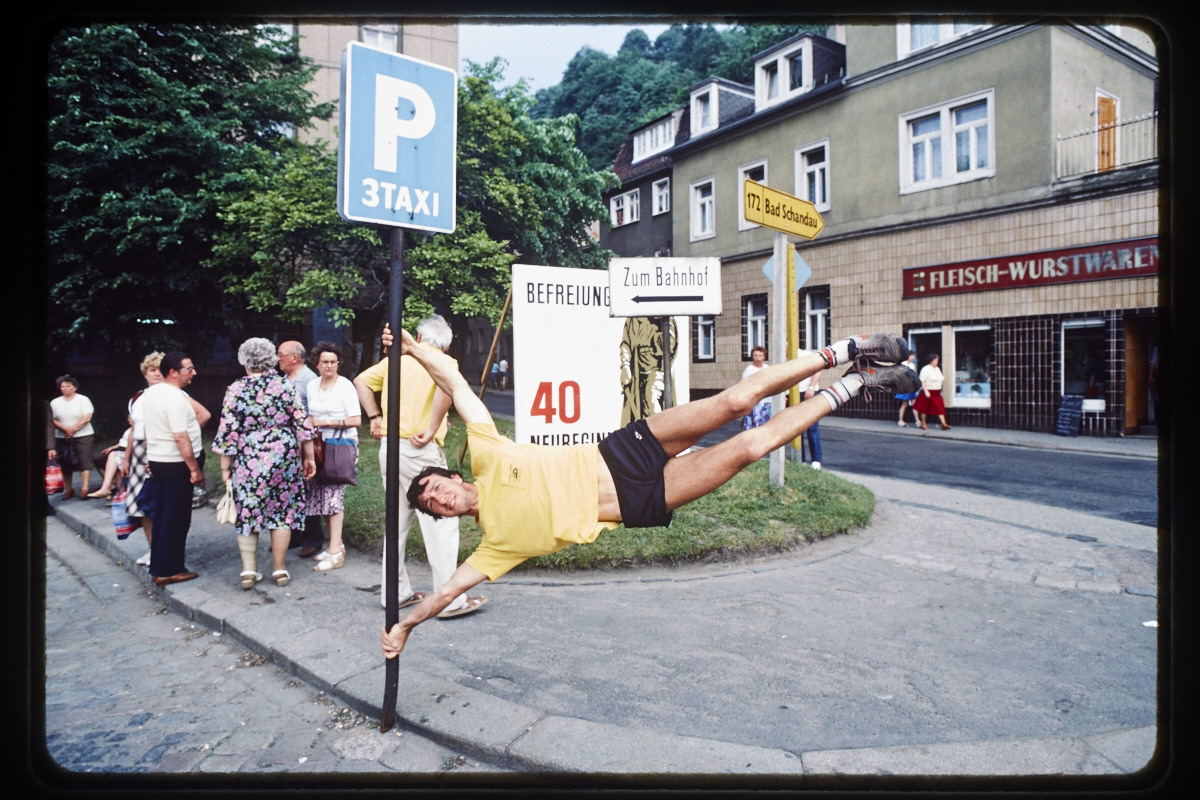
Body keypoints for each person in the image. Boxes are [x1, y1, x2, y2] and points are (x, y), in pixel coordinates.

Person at [382, 330, 920, 659]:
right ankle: (856, 384)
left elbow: (455, 383)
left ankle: (847, 351)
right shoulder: (495, 546)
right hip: (640, 501)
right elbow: (446, 592)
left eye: (435, 488)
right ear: (445, 515)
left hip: (622, 453)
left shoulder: (486, 451)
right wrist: (406, 625)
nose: (440, 500)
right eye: (432, 506)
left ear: (453, 477)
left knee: (734, 403)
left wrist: (414, 349)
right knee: (748, 447)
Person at [353, 316, 486, 617]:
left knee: (396, 522)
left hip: (390, 447)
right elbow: (446, 390)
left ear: (418, 337)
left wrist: (374, 417)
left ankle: (395, 593)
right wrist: (432, 427)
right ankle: (450, 600)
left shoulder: (396, 360)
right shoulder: (444, 362)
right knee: (441, 523)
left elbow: (360, 382)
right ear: (447, 344)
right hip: (420, 449)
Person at [212, 338, 318, 589]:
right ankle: (279, 569)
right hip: (283, 457)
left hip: (248, 459)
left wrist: (225, 467)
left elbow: (227, 431)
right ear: (270, 359)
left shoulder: (236, 389)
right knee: (282, 513)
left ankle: (249, 571)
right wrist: (309, 457)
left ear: (244, 361)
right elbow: (302, 424)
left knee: (248, 511)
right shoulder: (285, 385)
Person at [142, 351, 207, 587]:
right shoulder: (175, 398)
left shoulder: (151, 393)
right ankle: (170, 570)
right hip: (176, 464)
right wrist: (194, 469)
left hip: (160, 460)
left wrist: (152, 455)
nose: (193, 373)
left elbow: (149, 429)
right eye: (189, 369)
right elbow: (180, 436)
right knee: (176, 517)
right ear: (173, 372)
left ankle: (160, 566)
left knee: (162, 515)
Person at [305, 341, 363, 573]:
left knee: (334, 498)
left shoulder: (345, 386)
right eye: (325, 362)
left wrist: (325, 422)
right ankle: (334, 546)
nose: (329, 366)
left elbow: (356, 420)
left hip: (341, 446)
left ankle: (336, 552)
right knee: (323, 497)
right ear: (317, 364)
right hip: (318, 446)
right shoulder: (312, 385)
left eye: (333, 362)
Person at [277, 339, 327, 559]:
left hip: (305, 443)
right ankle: (295, 535)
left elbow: (314, 413)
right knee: (290, 492)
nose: (278, 359)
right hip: (287, 445)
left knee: (308, 490)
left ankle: (313, 538)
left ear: (293, 358)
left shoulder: (308, 380)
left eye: (280, 355)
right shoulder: (285, 380)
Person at [50, 375, 95, 500]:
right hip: (61, 436)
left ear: (75, 387)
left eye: (68, 386)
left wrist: (73, 429)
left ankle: (85, 488)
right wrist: (66, 430)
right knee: (64, 462)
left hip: (83, 435)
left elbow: (86, 417)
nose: (65, 388)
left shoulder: (83, 400)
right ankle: (69, 489)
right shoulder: (55, 402)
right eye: (62, 386)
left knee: (84, 460)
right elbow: (51, 419)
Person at [913, 353, 951, 431]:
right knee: (924, 408)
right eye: (935, 360)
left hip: (936, 392)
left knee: (940, 408)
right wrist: (926, 391)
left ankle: (944, 424)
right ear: (931, 360)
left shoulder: (937, 369)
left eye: (937, 360)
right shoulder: (925, 369)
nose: (937, 362)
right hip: (928, 391)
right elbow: (922, 381)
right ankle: (923, 423)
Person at [797, 363, 822, 470]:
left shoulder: (807, 356)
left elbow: (817, 370)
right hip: (794, 394)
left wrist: (811, 387)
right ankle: (801, 459)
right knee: (797, 429)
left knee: (812, 428)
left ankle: (816, 460)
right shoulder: (786, 358)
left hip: (808, 392)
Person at [740, 346, 771, 430]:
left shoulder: (767, 368)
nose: (758, 358)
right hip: (754, 402)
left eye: (760, 355)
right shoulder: (749, 370)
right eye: (756, 355)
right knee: (753, 426)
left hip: (767, 401)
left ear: (764, 357)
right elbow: (744, 388)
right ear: (752, 357)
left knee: (766, 426)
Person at [895, 352, 919, 427]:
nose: (913, 358)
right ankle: (900, 420)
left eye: (913, 356)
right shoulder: (903, 364)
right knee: (905, 403)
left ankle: (918, 421)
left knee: (914, 403)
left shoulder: (912, 365)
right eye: (912, 356)